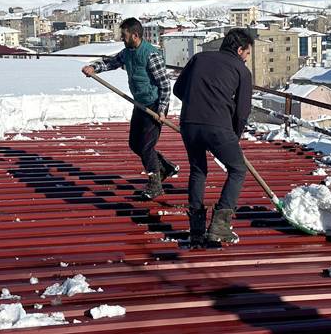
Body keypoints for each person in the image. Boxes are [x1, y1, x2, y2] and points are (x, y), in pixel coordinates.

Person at [172, 28, 253, 245]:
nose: (247, 58)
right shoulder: (242, 71)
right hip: (219, 127)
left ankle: (196, 229)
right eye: (247, 54)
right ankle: (219, 226)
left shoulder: (199, 58)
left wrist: (196, 101)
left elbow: (178, 89)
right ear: (239, 50)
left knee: (198, 170)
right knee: (237, 169)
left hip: (189, 124)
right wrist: (233, 137)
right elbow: (243, 112)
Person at [82, 17, 179, 199]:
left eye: (124, 35)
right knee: (135, 144)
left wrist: (162, 109)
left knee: (146, 146)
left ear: (135, 35)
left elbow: (165, 84)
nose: (122, 39)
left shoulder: (151, 54)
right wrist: (93, 68)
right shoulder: (127, 52)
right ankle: (165, 167)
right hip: (140, 104)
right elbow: (111, 62)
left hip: (155, 105)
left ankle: (155, 184)